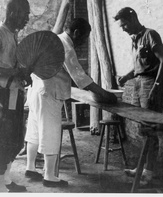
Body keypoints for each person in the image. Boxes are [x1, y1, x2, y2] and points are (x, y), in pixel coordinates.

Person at [24, 18, 117, 187]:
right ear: (75, 33)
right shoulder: (65, 46)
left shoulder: (52, 39)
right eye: (84, 37)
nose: (83, 42)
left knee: (35, 131)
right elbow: (79, 76)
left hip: (36, 91)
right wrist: (104, 93)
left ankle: (30, 168)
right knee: (51, 134)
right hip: (48, 94)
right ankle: (49, 177)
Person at [114, 7, 163, 185]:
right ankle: (144, 168)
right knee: (143, 128)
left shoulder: (150, 35)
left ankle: (149, 172)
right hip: (139, 84)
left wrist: (157, 85)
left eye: (124, 25)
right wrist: (126, 77)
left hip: (151, 84)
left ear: (133, 19)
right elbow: (139, 68)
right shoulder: (135, 40)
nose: (123, 29)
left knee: (150, 129)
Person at [0, 0, 31, 192]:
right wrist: (15, 73)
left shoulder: (12, 34)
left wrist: (24, 75)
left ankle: (7, 181)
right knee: (3, 141)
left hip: (14, 93)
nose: (27, 19)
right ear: (13, 13)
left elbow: (11, 63)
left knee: (17, 140)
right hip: (1, 96)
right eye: (25, 14)